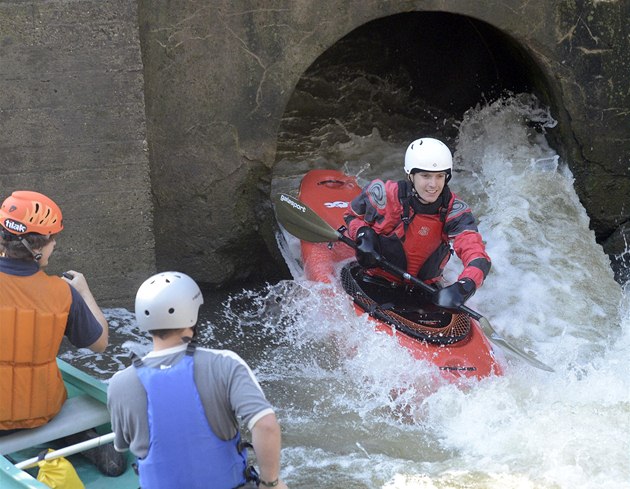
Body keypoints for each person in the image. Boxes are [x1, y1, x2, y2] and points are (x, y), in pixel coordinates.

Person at [107, 271, 288, 489]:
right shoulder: (225, 363)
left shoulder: (119, 383)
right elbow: (266, 425)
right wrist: (271, 483)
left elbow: (122, 445)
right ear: (192, 315)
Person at [0, 190, 125, 475]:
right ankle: (83, 441)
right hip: (42, 413)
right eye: (53, 239)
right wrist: (84, 291)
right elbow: (100, 343)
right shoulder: (63, 292)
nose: (55, 245)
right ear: (39, 249)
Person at [343, 137, 491, 310]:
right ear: (411, 175)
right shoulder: (382, 195)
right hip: (374, 280)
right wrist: (361, 233)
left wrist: (466, 286)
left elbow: (478, 256)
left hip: (423, 291)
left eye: (440, 176)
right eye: (425, 176)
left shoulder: (455, 211)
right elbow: (350, 216)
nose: (433, 185)